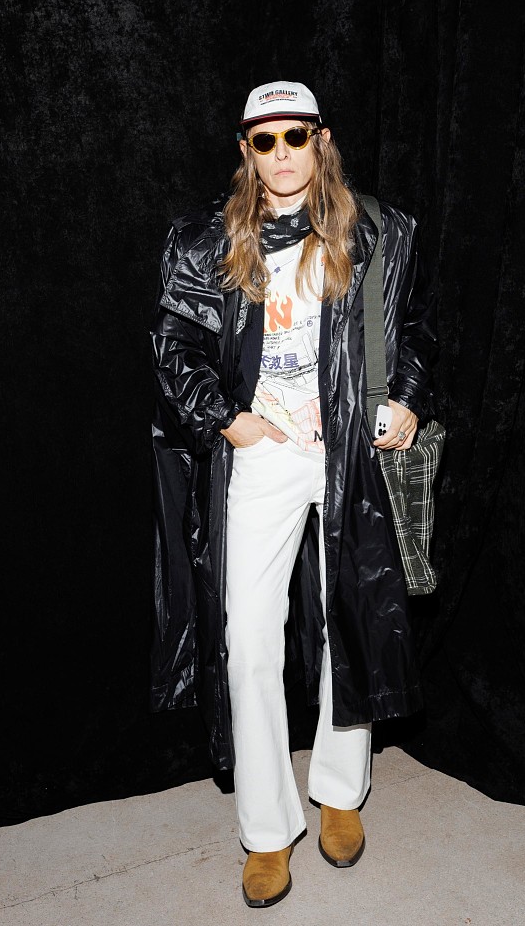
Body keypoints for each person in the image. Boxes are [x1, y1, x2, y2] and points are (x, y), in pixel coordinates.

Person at [150, 80, 437, 908]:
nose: (281, 153)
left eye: (295, 136)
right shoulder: (207, 240)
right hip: (265, 456)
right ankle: (267, 831)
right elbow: (174, 342)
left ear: (322, 139)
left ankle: (340, 793)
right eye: (264, 139)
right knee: (248, 640)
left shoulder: (378, 229)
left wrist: (406, 397)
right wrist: (227, 420)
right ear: (246, 150)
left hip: (350, 450)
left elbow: (417, 325)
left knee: (349, 613)